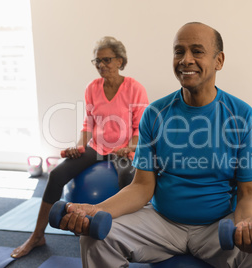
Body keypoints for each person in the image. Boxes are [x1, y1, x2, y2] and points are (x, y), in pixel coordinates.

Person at [59, 22, 252, 267]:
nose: (186, 59)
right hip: (162, 222)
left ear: (219, 61)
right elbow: (141, 187)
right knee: (95, 238)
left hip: (217, 227)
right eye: (179, 51)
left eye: (197, 51)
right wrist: (96, 210)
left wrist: (246, 226)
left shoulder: (242, 116)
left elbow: (250, 193)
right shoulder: (155, 113)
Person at [11, 36, 149, 258]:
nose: (101, 65)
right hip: (96, 148)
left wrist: (129, 148)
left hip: (124, 148)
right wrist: (79, 147)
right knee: (56, 175)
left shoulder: (134, 88)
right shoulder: (92, 88)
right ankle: (37, 235)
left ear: (120, 61)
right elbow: (89, 124)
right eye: (97, 61)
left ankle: (131, 238)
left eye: (107, 60)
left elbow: (139, 128)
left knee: (129, 181)